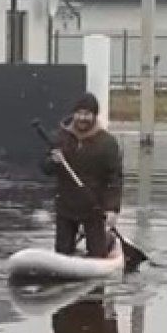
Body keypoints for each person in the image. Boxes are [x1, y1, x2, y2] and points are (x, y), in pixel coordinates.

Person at [41, 92, 123, 258]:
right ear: (74, 114)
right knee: (62, 253)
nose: (82, 118)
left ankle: (108, 242)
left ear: (94, 116)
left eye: (87, 114)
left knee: (97, 254)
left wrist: (112, 209)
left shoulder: (107, 143)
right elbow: (45, 169)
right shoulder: (61, 138)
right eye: (79, 113)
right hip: (66, 207)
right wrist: (53, 161)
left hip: (94, 207)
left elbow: (115, 178)